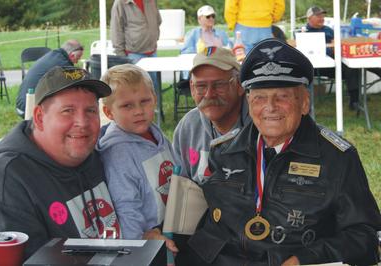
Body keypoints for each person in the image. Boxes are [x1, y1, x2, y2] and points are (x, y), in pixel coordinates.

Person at [187, 39, 381, 265]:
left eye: (282, 96)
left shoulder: (337, 158)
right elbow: (207, 226)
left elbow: (365, 237)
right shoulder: (224, 152)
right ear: (249, 103)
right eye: (260, 97)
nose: (270, 107)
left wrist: (303, 258)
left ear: (305, 102)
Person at [0, 66, 121, 262]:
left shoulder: (97, 155)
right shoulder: (5, 185)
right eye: (67, 111)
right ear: (39, 117)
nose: (82, 122)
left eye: (90, 110)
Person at [97, 64, 178, 253]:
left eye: (145, 101)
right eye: (127, 105)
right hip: (147, 241)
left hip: (171, 226)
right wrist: (137, 247)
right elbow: (125, 204)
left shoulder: (156, 134)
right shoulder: (118, 152)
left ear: (155, 100)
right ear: (109, 112)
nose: (138, 111)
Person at [173, 47, 250, 184]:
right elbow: (179, 186)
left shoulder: (261, 124)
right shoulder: (188, 126)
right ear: (192, 88)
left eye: (219, 85)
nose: (209, 94)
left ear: (240, 85)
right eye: (201, 86)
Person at [16, 39, 84, 117]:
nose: (76, 62)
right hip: (29, 108)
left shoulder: (53, 55)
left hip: (21, 104)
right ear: (71, 55)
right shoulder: (63, 64)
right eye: (77, 58)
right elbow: (73, 88)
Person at [110, 0, 161, 90]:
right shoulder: (121, 2)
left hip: (152, 51)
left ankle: (155, 104)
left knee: (153, 88)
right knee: (136, 89)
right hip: (133, 54)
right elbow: (116, 29)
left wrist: (154, 37)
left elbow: (158, 20)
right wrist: (121, 55)